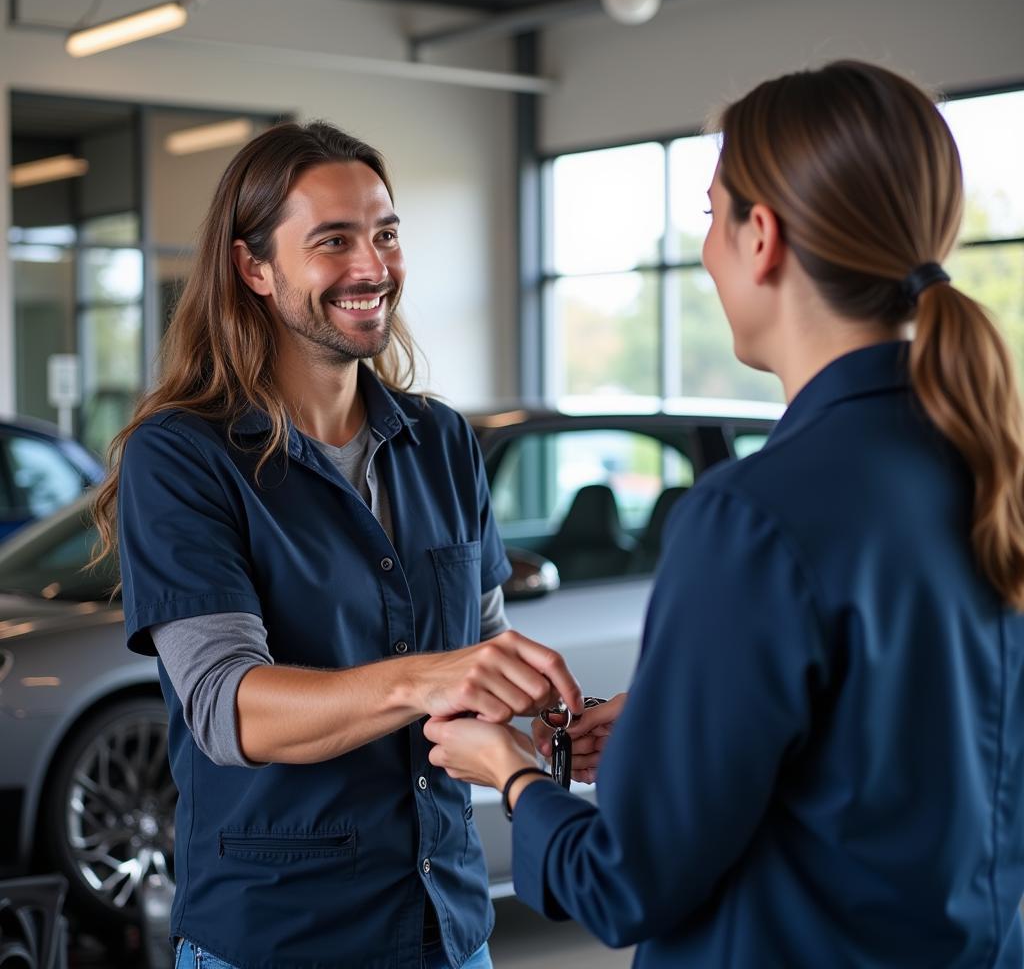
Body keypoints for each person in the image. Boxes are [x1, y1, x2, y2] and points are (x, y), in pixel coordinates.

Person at [424, 60, 1024, 967]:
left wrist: (505, 774)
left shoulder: (752, 517)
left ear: (761, 238)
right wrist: (672, 723)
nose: (705, 250)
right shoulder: (988, 467)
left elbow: (621, 884)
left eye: (710, 215)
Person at [90, 121, 584, 969]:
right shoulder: (183, 456)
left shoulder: (442, 441)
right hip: (282, 938)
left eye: (386, 234)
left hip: (448, 928)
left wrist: (553, 727)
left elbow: (482, 658)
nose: (372, 267)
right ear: (253, 268)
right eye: (333, 242)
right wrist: (428, 676)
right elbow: (226, 707)